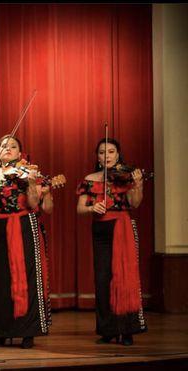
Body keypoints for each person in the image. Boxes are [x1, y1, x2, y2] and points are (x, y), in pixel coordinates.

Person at [0, 135, 51, 349]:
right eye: (4, 146)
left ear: (20, 153)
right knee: (0, 280)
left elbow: (34, 203)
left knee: (25, 277)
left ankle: (27, 331)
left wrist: (32, 182)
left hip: (23, 226)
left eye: (13, 146)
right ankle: (2, 331)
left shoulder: (27, 172)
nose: (8, 149)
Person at [76, 138, 146, 346]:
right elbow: (80, 208)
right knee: (102, 279)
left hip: (122, 226)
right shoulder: (90, 179)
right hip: (101, 231)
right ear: (97, 157)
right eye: (102, 152)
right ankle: (107, 329)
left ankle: (126, 330)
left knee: (123, 278)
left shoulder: (125, 177)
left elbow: (135, 203)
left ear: (118, 155)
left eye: (111, 152)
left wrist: (138, 185)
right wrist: (91, 208)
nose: (106, 156)